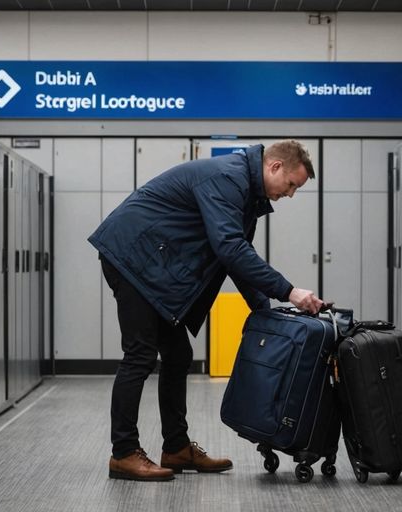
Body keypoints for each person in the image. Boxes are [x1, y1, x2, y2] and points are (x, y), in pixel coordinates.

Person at [87, 140, 324, 482]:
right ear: (274, 167)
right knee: (140, 354)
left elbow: (238, 259)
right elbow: (228, 248)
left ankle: (176, 448)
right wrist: (289, 291)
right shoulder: (228, 177)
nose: (290, 195)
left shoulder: (247, 195)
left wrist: (267, 312)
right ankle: (123, 453)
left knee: (178, 354)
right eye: (291, 185)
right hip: (132, 257)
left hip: (155, 265)